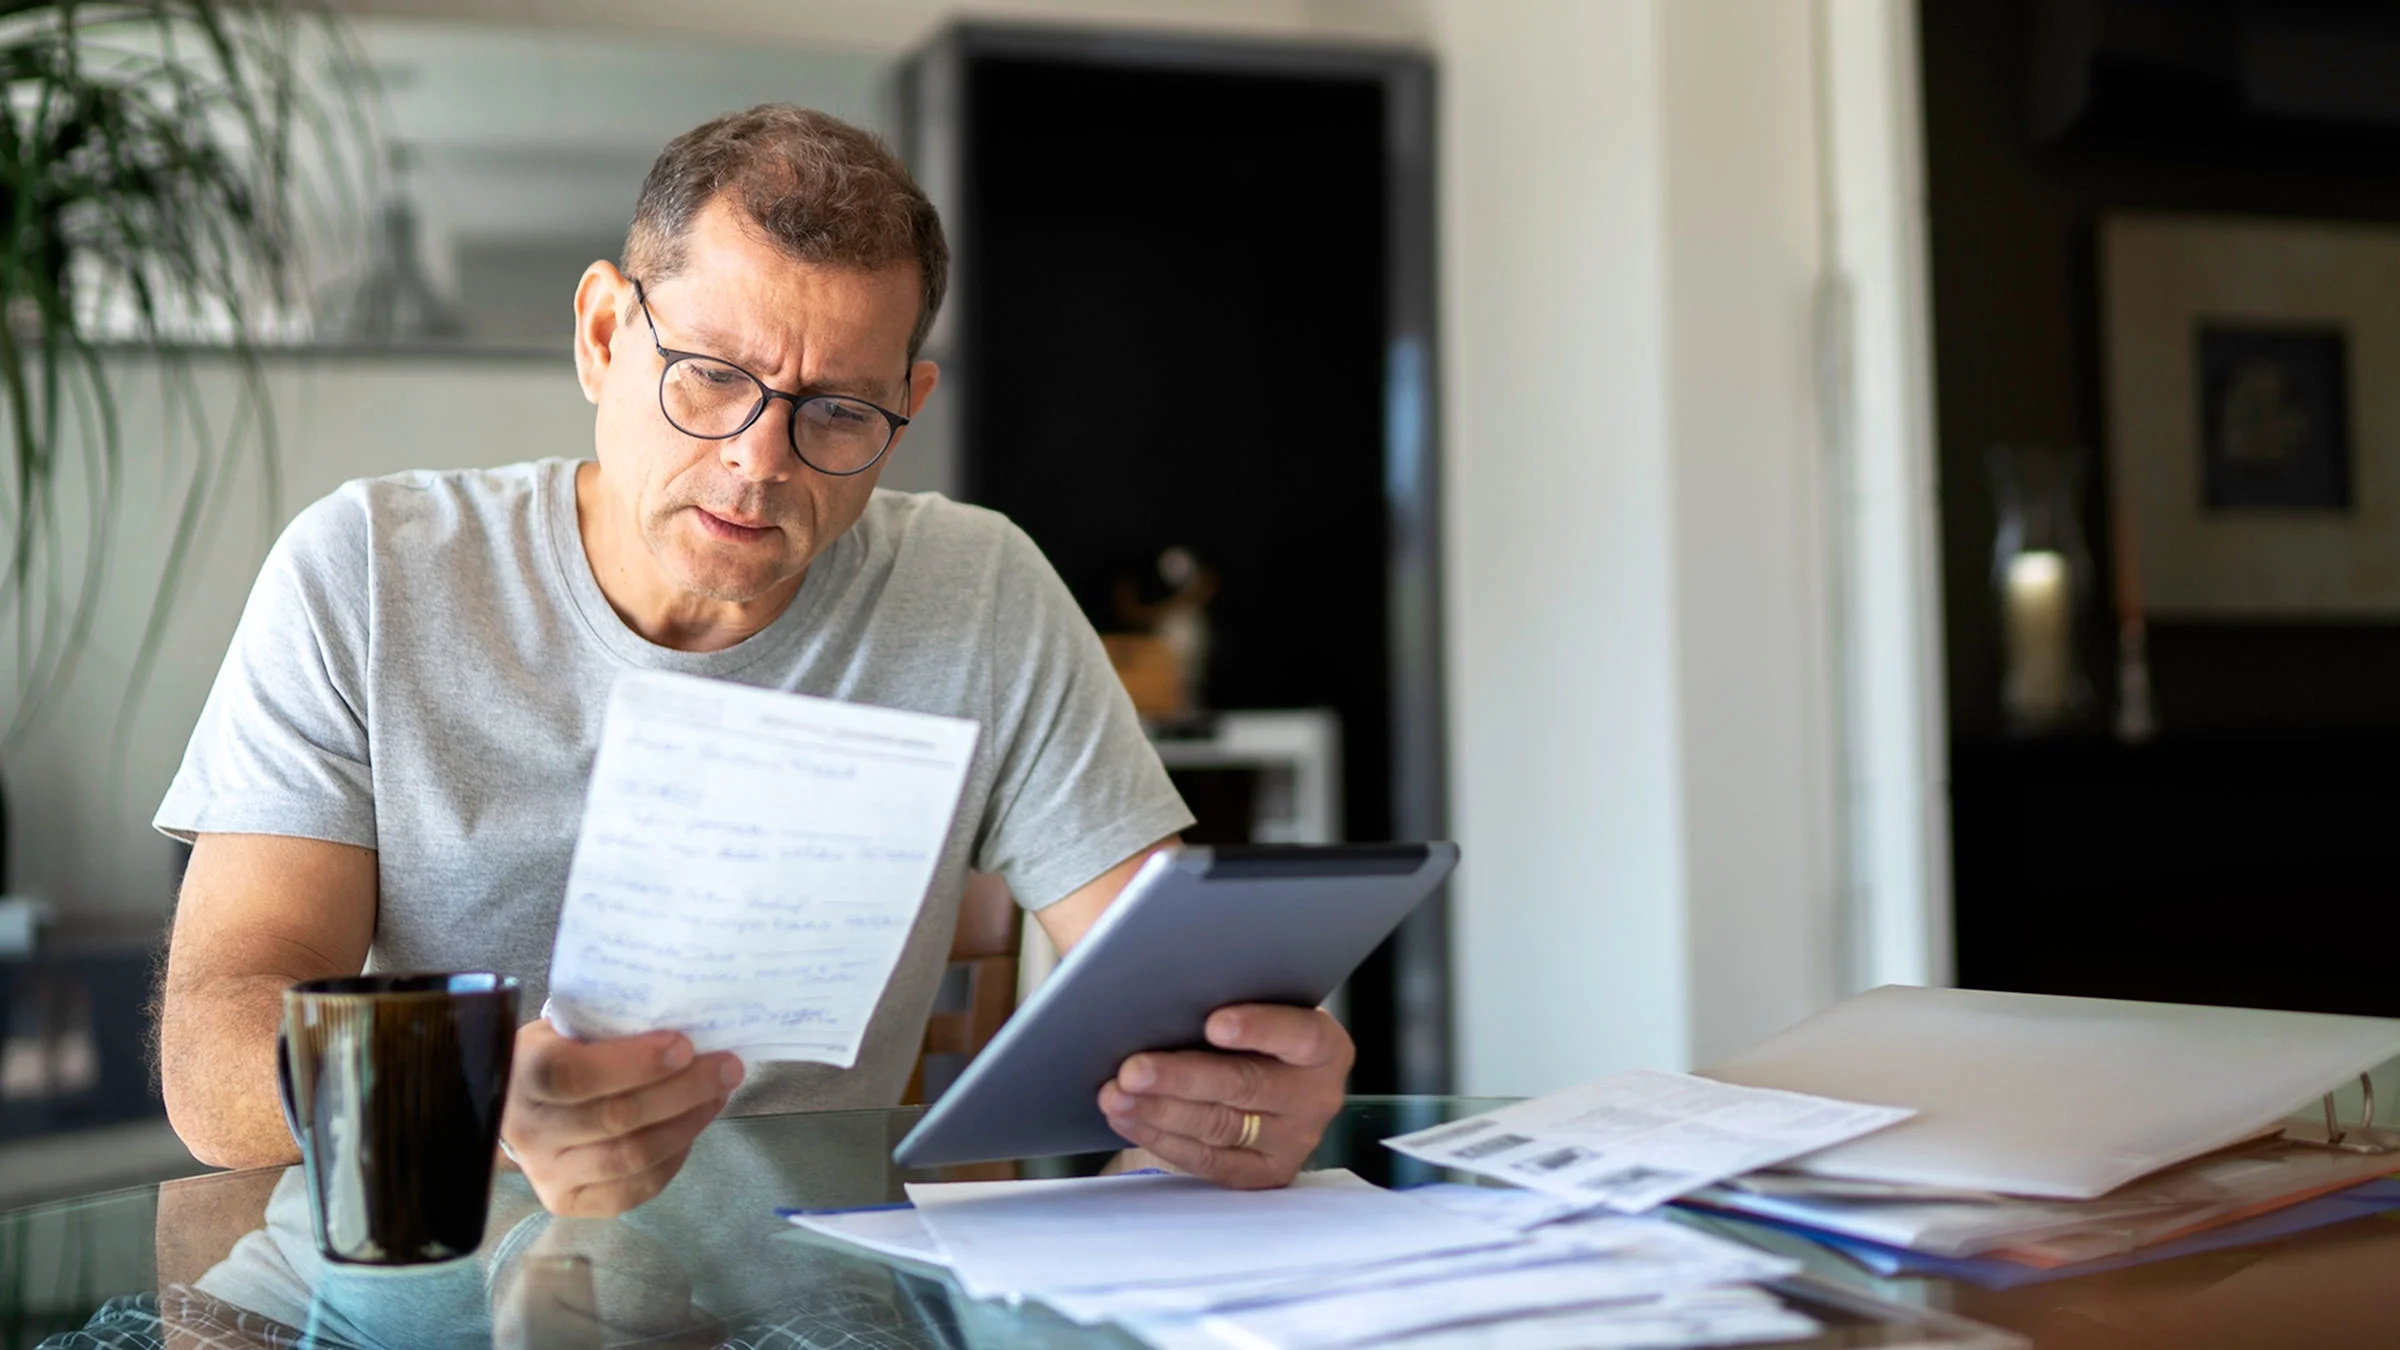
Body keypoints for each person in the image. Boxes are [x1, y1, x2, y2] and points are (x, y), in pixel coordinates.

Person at [151, 105, 1352, 1218]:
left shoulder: (977, 590)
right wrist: (474, 1100)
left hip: (821, 1294)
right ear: (603, 335)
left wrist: (1246, 1085)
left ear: (906, 406)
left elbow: (1168, 994)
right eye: (714, 377)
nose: (759, 460)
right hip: (430, 1282)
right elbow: (212, 1060)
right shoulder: (367, 571)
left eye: (837, 410)